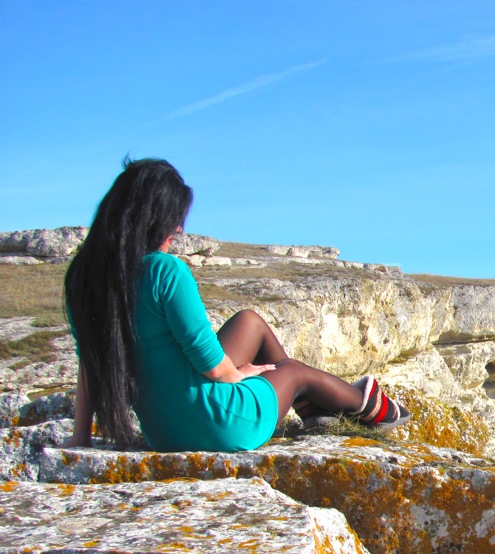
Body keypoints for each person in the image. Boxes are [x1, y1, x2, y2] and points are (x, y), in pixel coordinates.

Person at [63, 157, 409, 451]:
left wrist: (80, 441)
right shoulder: (164, 271)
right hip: (217, 425)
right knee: (291, 370)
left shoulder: (83, 278)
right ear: (151, 217)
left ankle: (316, 411)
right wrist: (241, 374)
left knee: (250, 322)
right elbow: (213, 367)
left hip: (163, 432)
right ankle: (370, 406)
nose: (180, 228)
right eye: (174, 217)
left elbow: (90, 367)